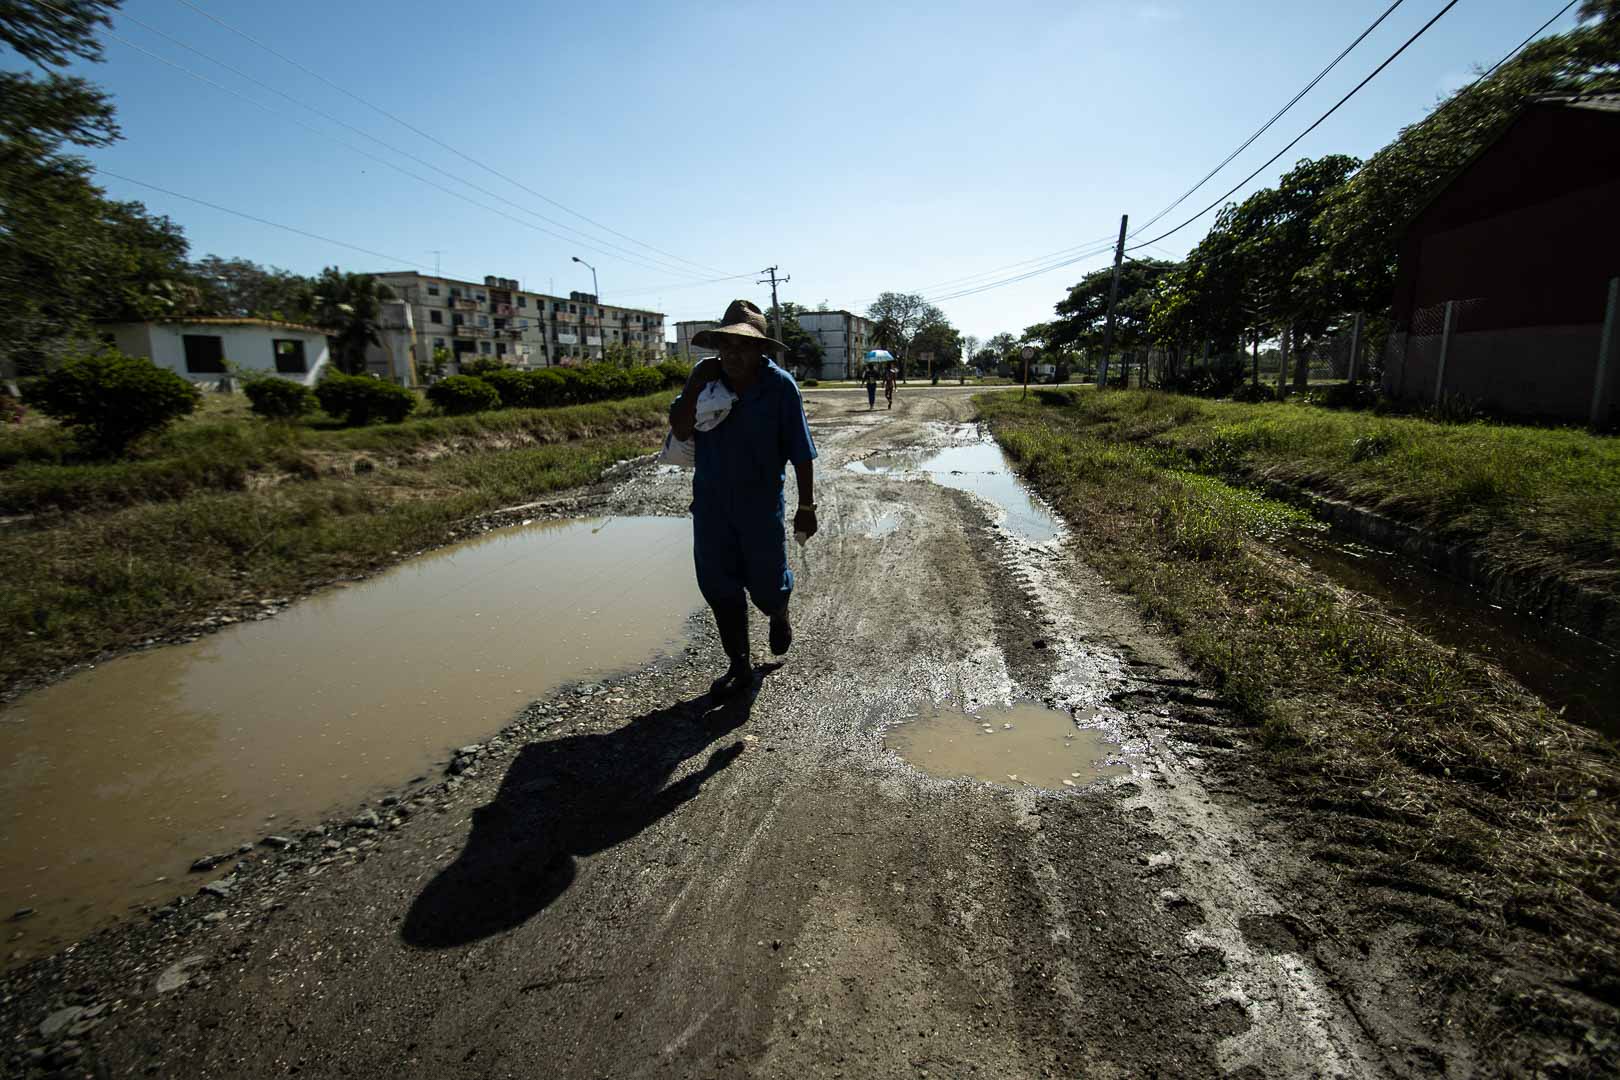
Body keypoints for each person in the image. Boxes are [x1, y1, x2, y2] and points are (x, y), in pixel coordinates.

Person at [669, 300, 818, 698]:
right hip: (711, 506)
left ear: (761, 351)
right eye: (726, 346)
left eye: (744, 346)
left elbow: (801, 451)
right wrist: (696, 382)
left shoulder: (780, 387)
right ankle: (740, 665)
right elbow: (682, 431)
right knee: (719, 587)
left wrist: (806, 507)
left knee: (768, 586)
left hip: (760, 507)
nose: (733, 354)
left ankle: (779, 612)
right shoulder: (707, 382)